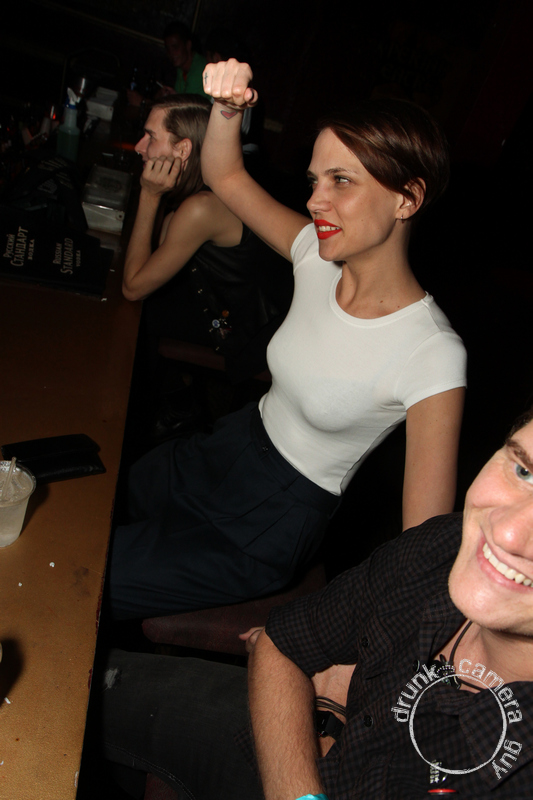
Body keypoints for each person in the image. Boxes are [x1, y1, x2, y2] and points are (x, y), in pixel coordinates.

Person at [107, 61, 466, 621]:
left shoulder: (432, 352)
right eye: (315, 181)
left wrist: (336, 640)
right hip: (229, 445)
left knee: (94, 576)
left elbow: (421, 546)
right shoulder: (316, 257)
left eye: (341, 180)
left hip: (267, 521)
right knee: (101, 499)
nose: (317, 200)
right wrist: (227, 107)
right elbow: (226, 176)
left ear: (408, 198)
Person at [100, 405, 533, 798]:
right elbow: (281, 643)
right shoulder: (442, 547)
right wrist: (318, 741)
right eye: (524, 471)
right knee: (80, 684)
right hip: (296, 743)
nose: (507, 533)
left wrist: (329, 681)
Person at [122, 93, 290, 396]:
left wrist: (149, 195)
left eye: (150, 137)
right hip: (225, 310)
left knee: (139, 317)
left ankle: (159, 403)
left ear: (183, 149)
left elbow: (133, 286)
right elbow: (153, 253)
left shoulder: (201, 208)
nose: (139, 146)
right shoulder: (197, 190)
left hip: (248, 335)